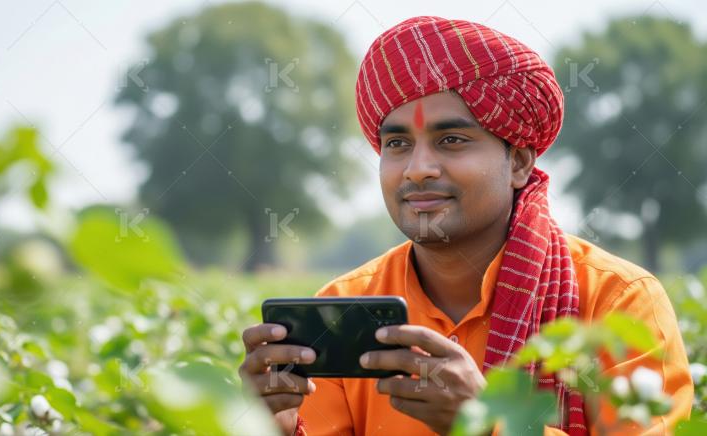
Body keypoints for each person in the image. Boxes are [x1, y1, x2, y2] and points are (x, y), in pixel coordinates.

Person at [239, 16, 693, 435]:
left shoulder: (618, 304)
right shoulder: (341, 310)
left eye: (451, 140)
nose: (417, 169)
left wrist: (483, 423)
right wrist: (271, 427)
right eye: (397, 143)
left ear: (517, 162)